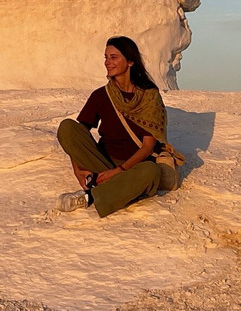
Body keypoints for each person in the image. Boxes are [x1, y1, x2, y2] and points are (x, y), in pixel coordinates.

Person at [56, 36, 168, 217]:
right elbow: (78, 134)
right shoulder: (101, 95)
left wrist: (119, 171)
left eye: (114, 57)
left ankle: (90, 197)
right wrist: (78, 170)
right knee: (67, 127)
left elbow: (148, 146)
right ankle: (118, 188)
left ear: (130, 61)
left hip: (135, 166)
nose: (107, 62)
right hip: (103, 162)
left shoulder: (149, 96)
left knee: (151, 171)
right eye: (106, 57)